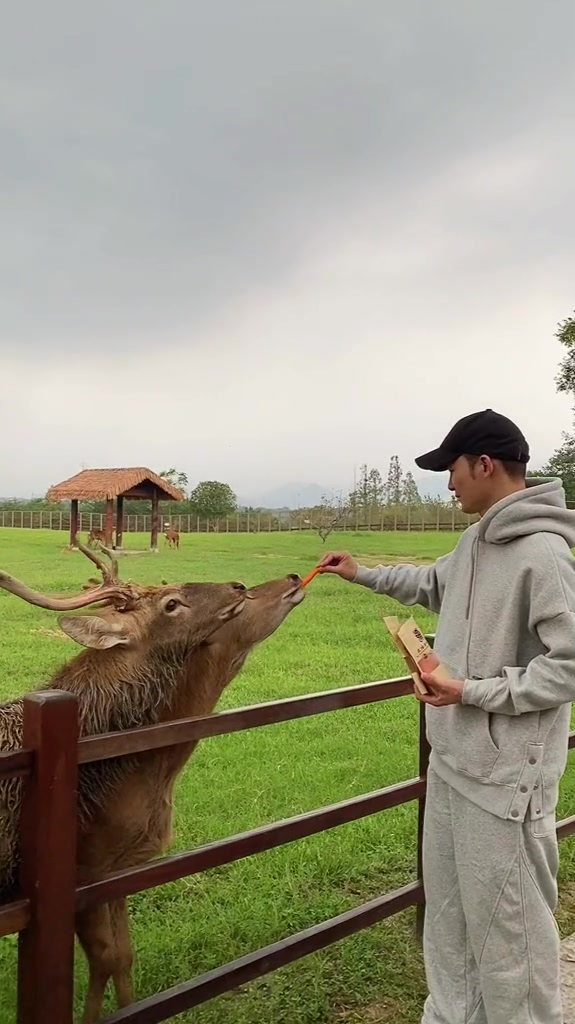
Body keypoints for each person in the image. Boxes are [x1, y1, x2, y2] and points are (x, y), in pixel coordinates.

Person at [319, 408, 575, 1024]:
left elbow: (569, 666)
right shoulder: (475, 541)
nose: (449, 483)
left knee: (512, 942)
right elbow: (432, 583)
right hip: (454, 767)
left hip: (506, 785)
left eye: (452, 470)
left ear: (485, 465)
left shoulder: (544, 555)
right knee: (452, 924)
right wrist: (362, 575)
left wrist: (471, 692)